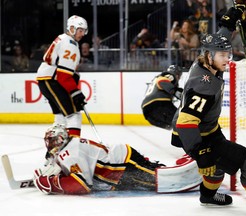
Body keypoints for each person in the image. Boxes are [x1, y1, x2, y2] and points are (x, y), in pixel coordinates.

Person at [171, 5, 246, 212]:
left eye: (227, 54)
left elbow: (220, 37)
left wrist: (229, 20)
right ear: (210, 55)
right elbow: (186, 123)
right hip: (196, 135)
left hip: (207, 130)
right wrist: (200, 153)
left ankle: (207, 196)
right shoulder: (205, 84)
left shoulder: (204, 61)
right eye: (222, 56)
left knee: (217, 167)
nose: (227, 59)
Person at [33, 124, 202, 194]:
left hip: (124, 165)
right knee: (152, 176)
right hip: (122, 163)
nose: (50, 145)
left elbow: (81, 184)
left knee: (157, 181)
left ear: (60, 140)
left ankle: (191, 171)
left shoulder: (69, 152)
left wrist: (53, 184)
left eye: (52, 141)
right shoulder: (70, 146)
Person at [36, 15, 88, 138]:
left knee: (60, 118)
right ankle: (73, 150)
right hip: (53, 81)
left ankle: (54, 153)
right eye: (80, 30)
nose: (82, 34)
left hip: (45, 79)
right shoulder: (70, 44)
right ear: (71, 28)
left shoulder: (63, 38)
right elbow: (63, 76)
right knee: (74, 115)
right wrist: (75, 93)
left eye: (84, 31)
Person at [141, 65, 183, 130]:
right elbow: (161, 81)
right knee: (182, 120)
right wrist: (174, 91)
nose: (179, 78)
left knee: (173, 126)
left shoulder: (155, 78)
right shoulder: (170, 75)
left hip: (147, 112)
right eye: (179, 75)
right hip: (158, 104)